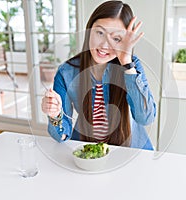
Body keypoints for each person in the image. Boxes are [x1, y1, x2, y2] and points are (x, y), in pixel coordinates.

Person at [41, 0, 156, 150]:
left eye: (116, 39)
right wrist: (55, 115)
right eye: (100, 33)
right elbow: (62, 136)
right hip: (88, 153)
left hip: (130, 152)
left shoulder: (131, 66)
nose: (104, 45)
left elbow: (145, 118)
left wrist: (127, 64)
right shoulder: (67, 72)